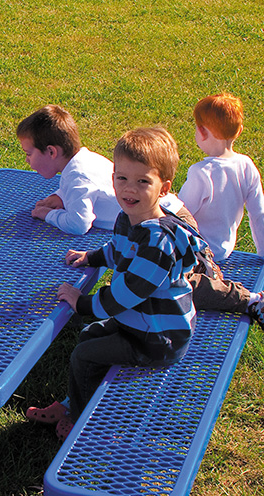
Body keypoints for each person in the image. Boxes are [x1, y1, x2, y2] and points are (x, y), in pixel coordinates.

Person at [30, 128, 206, 441]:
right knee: (89, 336)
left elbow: (121, 298)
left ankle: (80, 418)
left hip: (159, 338)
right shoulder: (129, 217)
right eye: (122, 178)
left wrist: (80, 302)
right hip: (141, 322)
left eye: (143, 181)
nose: (129, 189)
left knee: (83, 355)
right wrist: (91, 257)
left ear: (163, 188)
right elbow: (118, 250)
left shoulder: (157, 244)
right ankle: (76, 400)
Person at [178, 92, 264, 351]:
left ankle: (262, 302)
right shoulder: (246, 165)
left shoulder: (201, 173)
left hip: (201, 255)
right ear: (238, 131)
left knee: (176, 287)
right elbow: (258, 212)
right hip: (225, 248)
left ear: (202, 133)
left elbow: (179, 217)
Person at [17, 105, 120, 235]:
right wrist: (60, 197)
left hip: (133, 230)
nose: (27, 160)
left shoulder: (77, 177)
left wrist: (49, 214)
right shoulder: (86, 160)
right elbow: (90, 191)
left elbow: (78, 225)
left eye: (29, 154)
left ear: (51, 151)